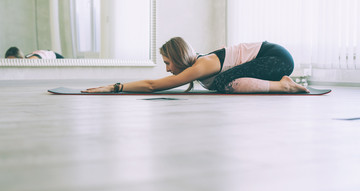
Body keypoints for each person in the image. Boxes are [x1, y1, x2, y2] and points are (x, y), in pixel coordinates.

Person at [82, 37, 309, 94]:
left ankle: (284, 86)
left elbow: (153, 85)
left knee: (224, 83)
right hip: (270, 60)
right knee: (225, 83)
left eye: (168, 63)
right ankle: (280, 83)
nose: (168, 69)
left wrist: (115, 87)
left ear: (178, 58)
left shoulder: (203, 65)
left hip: (276, 58)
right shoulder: (201, 66)